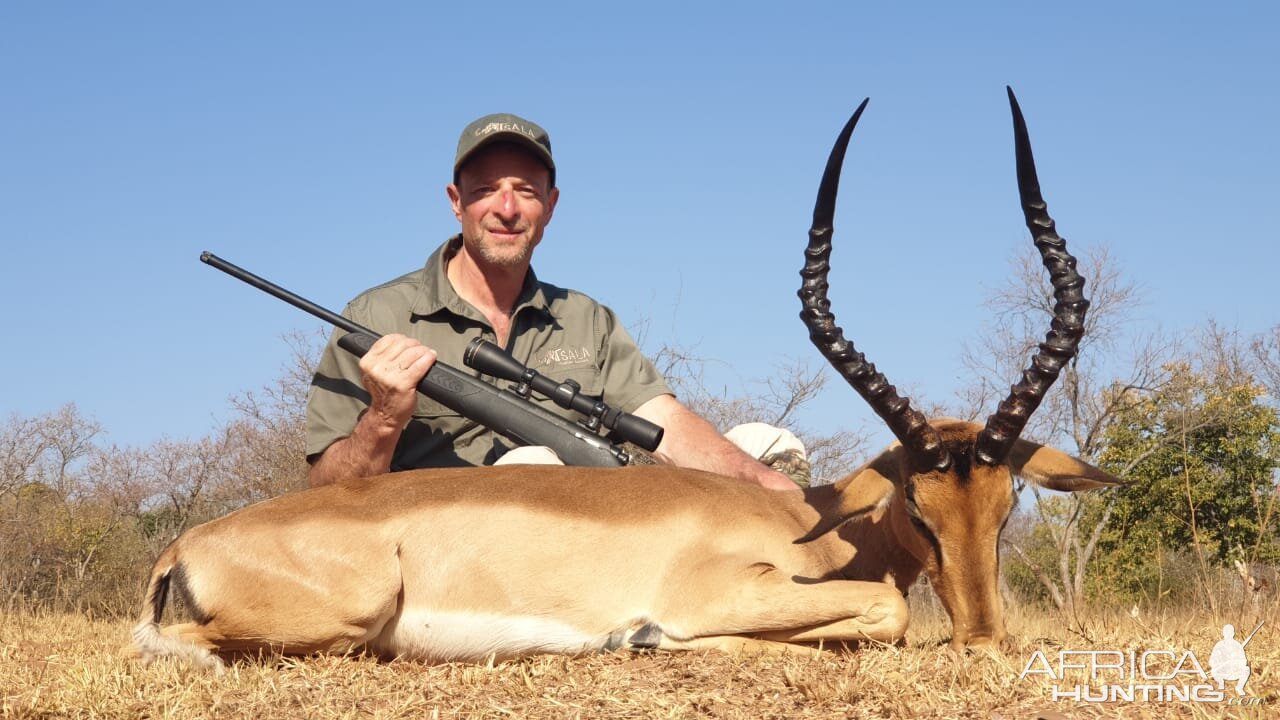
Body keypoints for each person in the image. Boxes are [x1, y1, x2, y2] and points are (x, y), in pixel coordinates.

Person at [305, 112, 802, 492]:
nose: (506, 209)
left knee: (768, 446)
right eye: (486, 191)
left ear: (551, 205)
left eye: (525, 191)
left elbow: (665, 425)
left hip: (586, 524)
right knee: (533, 471)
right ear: (456, 202)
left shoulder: (588, 320)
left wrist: (756, 479)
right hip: (445, 558)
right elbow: (326, 495)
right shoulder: (376, 317)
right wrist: (384, 418)